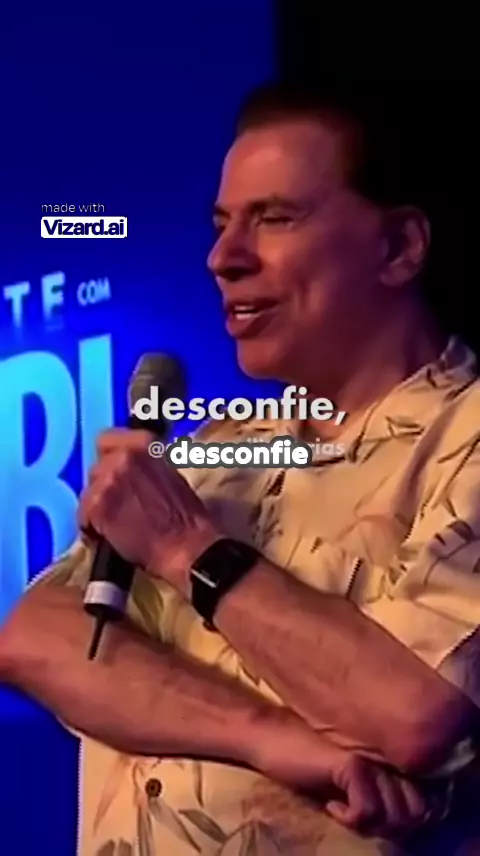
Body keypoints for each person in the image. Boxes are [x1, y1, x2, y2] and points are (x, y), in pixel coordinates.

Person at [1, 79, 480, 855]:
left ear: (399, 248)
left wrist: (187, 549)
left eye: (276, 218)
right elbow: (37, 637)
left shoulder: (467, 436)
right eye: (222, 225)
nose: (223, 259)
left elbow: (420, 713)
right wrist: (275, 740)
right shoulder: (218, 447)